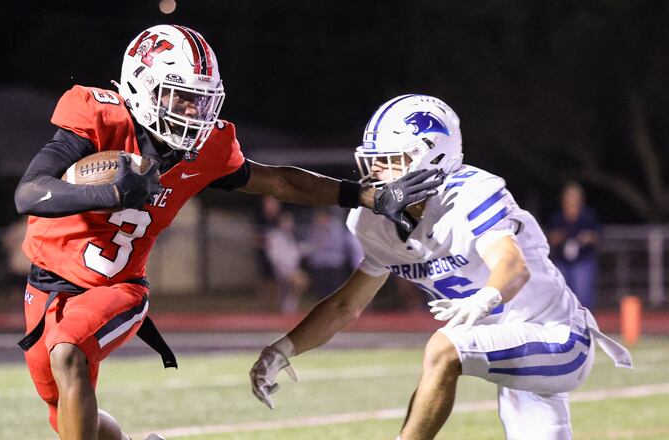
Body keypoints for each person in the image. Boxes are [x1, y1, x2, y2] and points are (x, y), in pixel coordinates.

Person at [13, 25, 440, 440]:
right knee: (66, 413)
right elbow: (29, 192)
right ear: (141, 86)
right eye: (181, 98)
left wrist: (368, 195)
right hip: (47, 284)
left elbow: (281, 182)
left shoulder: (207, 150)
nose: (191, 114)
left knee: (68, 355)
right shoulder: (99, 117)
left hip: (119, 287)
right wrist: (112, 191)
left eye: (199, 102)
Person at [250, 94, 633, 440]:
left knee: (444, 347)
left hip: (555, 337)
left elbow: (513, 266)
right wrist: (282, 350)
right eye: (374, 158)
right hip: (513, 350)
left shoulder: (469, 193)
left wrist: (484, 299)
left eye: (390, 158)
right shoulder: (373, 222)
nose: (377, 169)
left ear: (431, 155)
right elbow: (344, 306)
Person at [547, 182, 601, 311]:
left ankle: (585, 325)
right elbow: (550, 238)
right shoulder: (558, 218)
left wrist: (587, 238)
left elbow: (597, 236)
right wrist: (559, 237)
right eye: (569, 196)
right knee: (561, 296)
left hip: (583, 261)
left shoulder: (588, 216)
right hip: (562, 261)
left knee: (583, 296)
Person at [300, 207, 363, 299]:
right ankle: (320, 299)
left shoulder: (336, 228)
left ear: (325, 216)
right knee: (317, 268)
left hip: (334, 261)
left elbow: (338, 247)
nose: (317, 220)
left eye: (319, 217)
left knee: (333, 270)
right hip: (319, 262)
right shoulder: (315, 229)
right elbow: (311, 246)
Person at [264, 211, 310, 313]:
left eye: (290, 221)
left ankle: (289, 304)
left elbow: (296, 252)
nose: (289, 224)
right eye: (286, 221)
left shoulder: (291, 236)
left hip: (292, 268)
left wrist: (304, 249)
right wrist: (286, 268)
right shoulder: (274, 236)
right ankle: (287, 305)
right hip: (281, 268)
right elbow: (274, 255)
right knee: (299, 281)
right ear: (280, 222)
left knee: (302, 281)